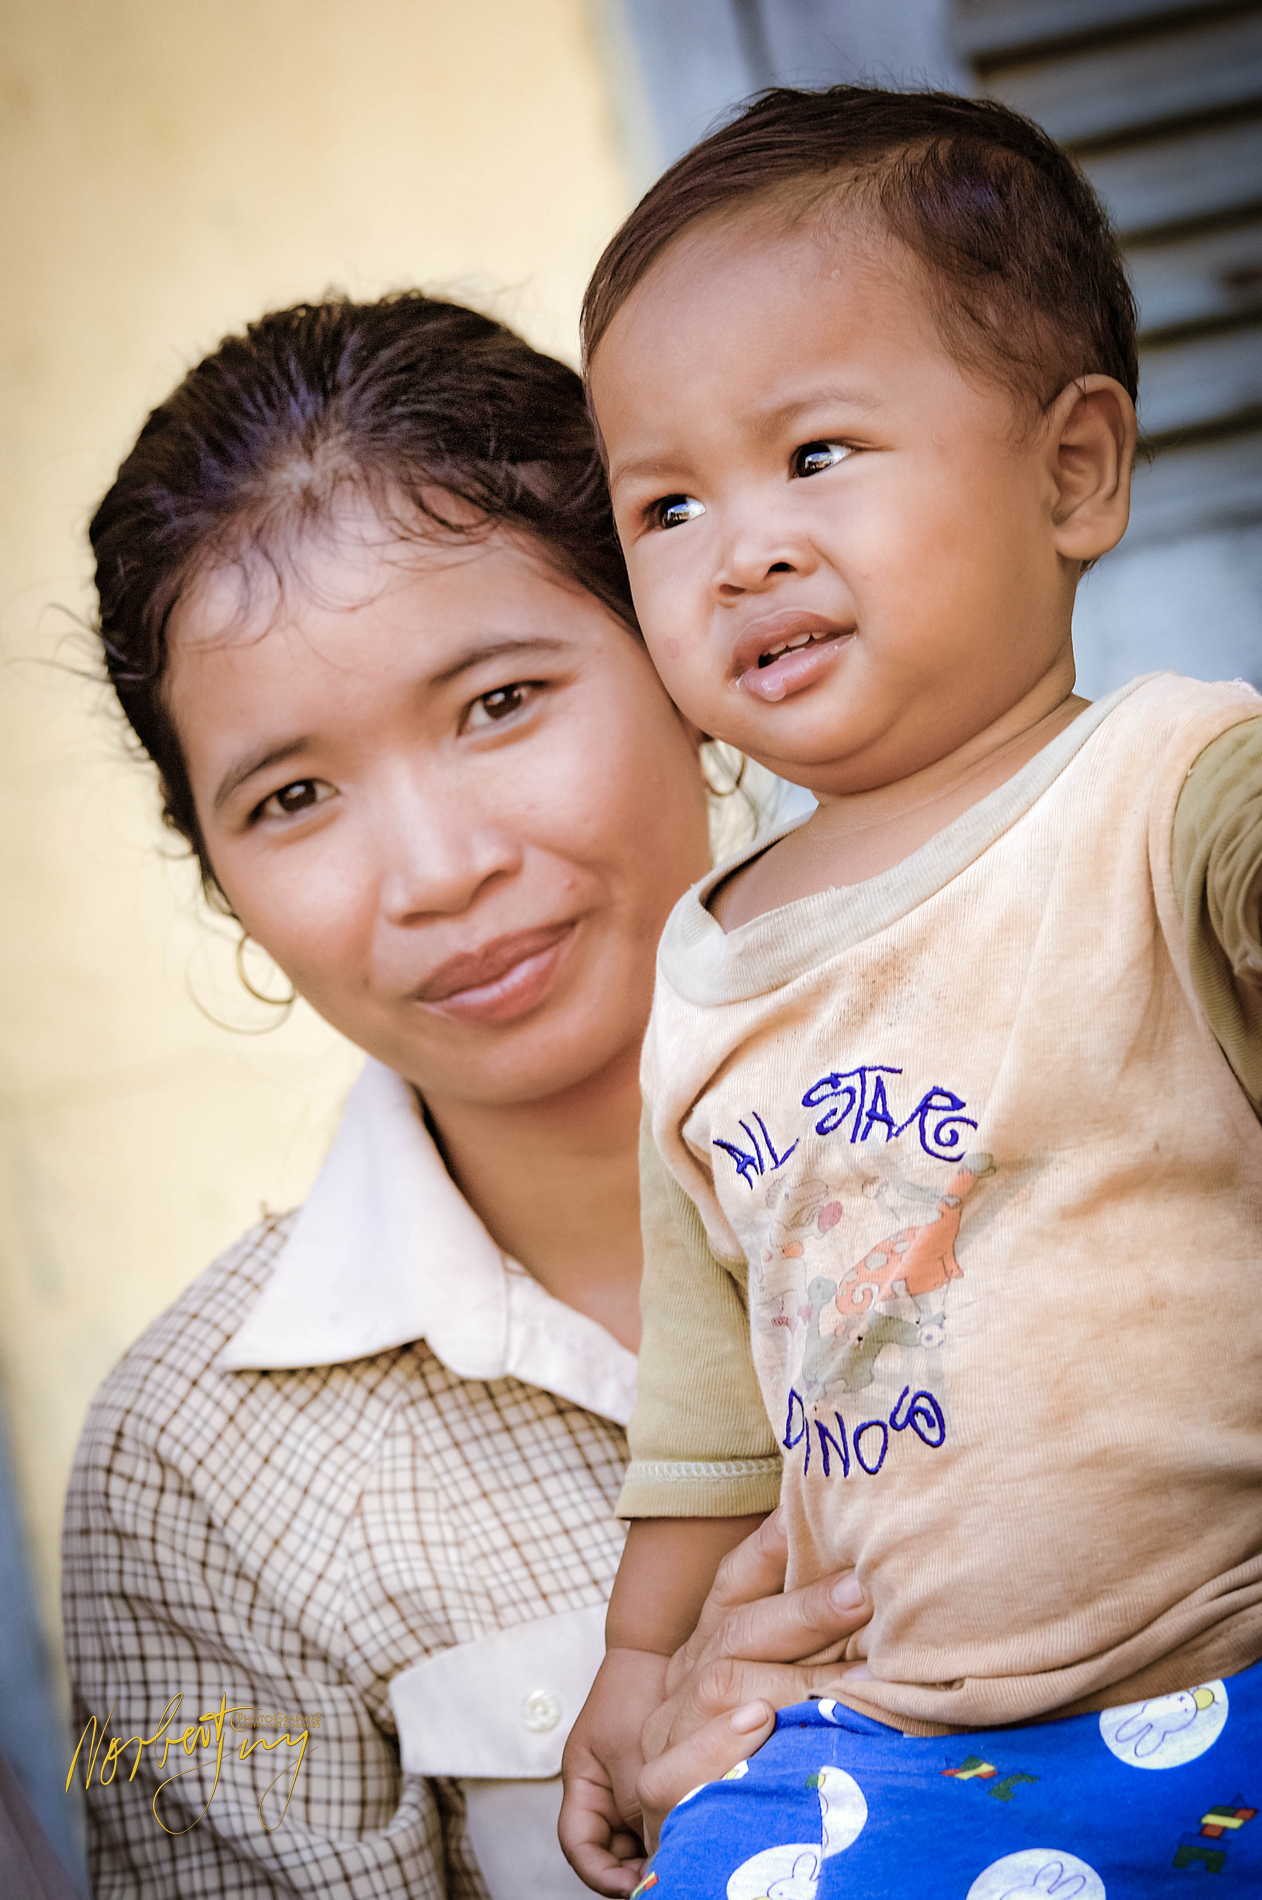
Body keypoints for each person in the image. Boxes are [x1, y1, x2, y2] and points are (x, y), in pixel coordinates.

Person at [60, 291, 874, 1900]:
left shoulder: (1094, 1090)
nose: (438, 871)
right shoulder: (195, 1478)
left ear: (678, 653)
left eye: (499, 703)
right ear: (217, 874)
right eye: (294, 796)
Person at [559, 85, 1262, 1898]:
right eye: (667, 506)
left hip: (1233, 1650)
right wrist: (635, 1681)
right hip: (899, 1741)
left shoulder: (1174, 788)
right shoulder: (707, 976)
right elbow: (708, 1425)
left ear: (1071, 471)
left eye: (815, 455)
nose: (741, 548)